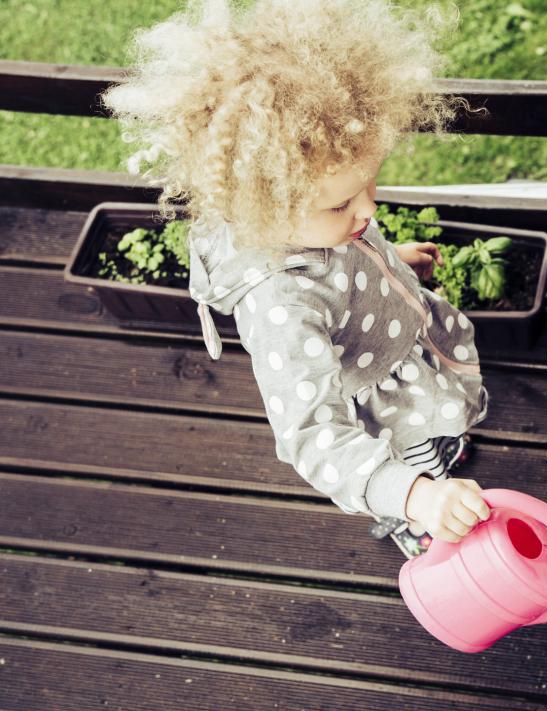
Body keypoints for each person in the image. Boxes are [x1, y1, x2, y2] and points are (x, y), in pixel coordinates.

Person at [99, 0, 492, 559]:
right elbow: (314, 436)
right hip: (386, 411)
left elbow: (342, 260)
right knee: (423, 465)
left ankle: (437, 463)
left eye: (370, 185)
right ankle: (417, 520)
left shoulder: (320, 224)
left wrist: (389, 261)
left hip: (405, 349)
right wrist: (419, 498)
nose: (367, 212)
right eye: (341, 205)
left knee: (437, 439)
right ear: (264, 205)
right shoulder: (279, 302)